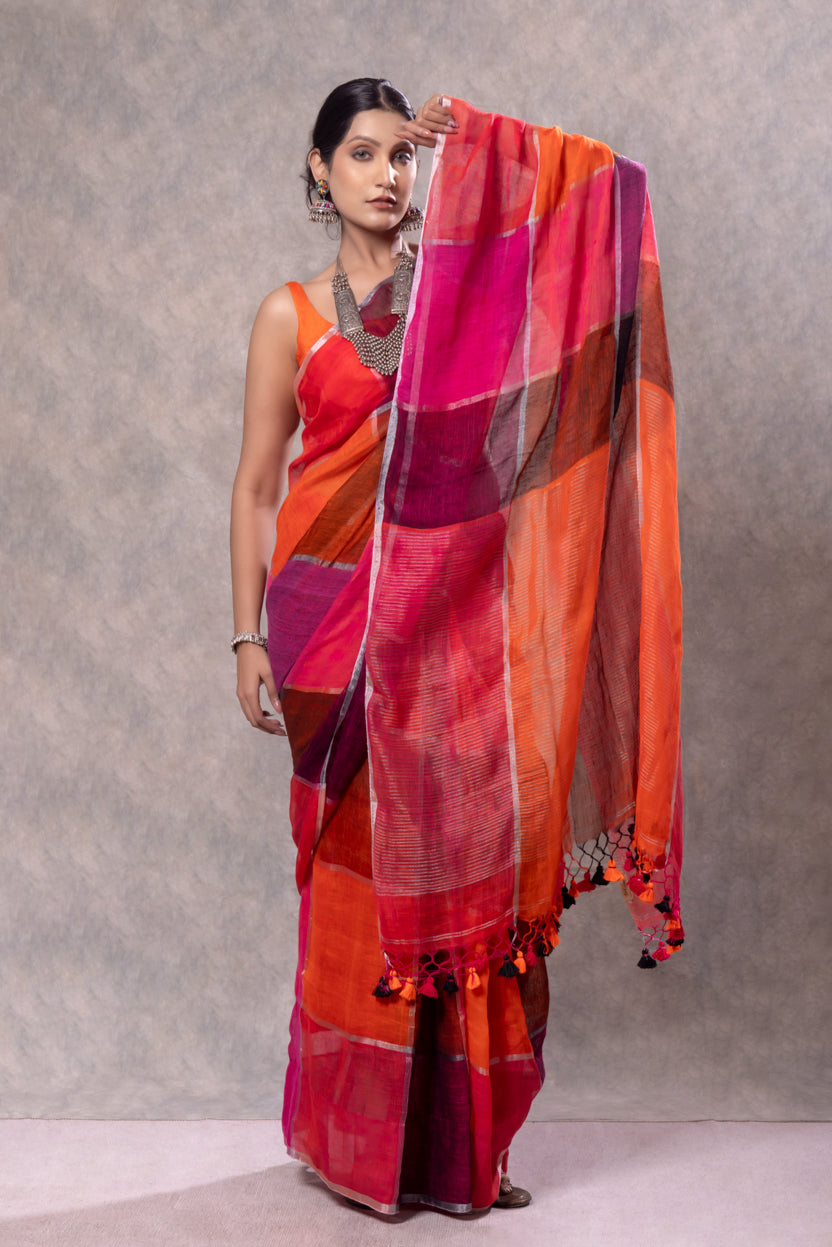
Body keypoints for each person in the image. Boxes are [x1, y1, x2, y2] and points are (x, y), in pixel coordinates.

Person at [230, 78, 683, 1216]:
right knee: (358, 881)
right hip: (326, 626)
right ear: (320, 168)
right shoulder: (289, 313)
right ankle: (359, 1150)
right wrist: (245, 635)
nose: (387, 176)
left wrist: (478, 139)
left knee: (461, 856)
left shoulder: (456, 288)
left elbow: (583, 231)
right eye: (362, 154)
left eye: (402, 155)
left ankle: (460, 1151)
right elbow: (254, 486)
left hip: (447, 628)